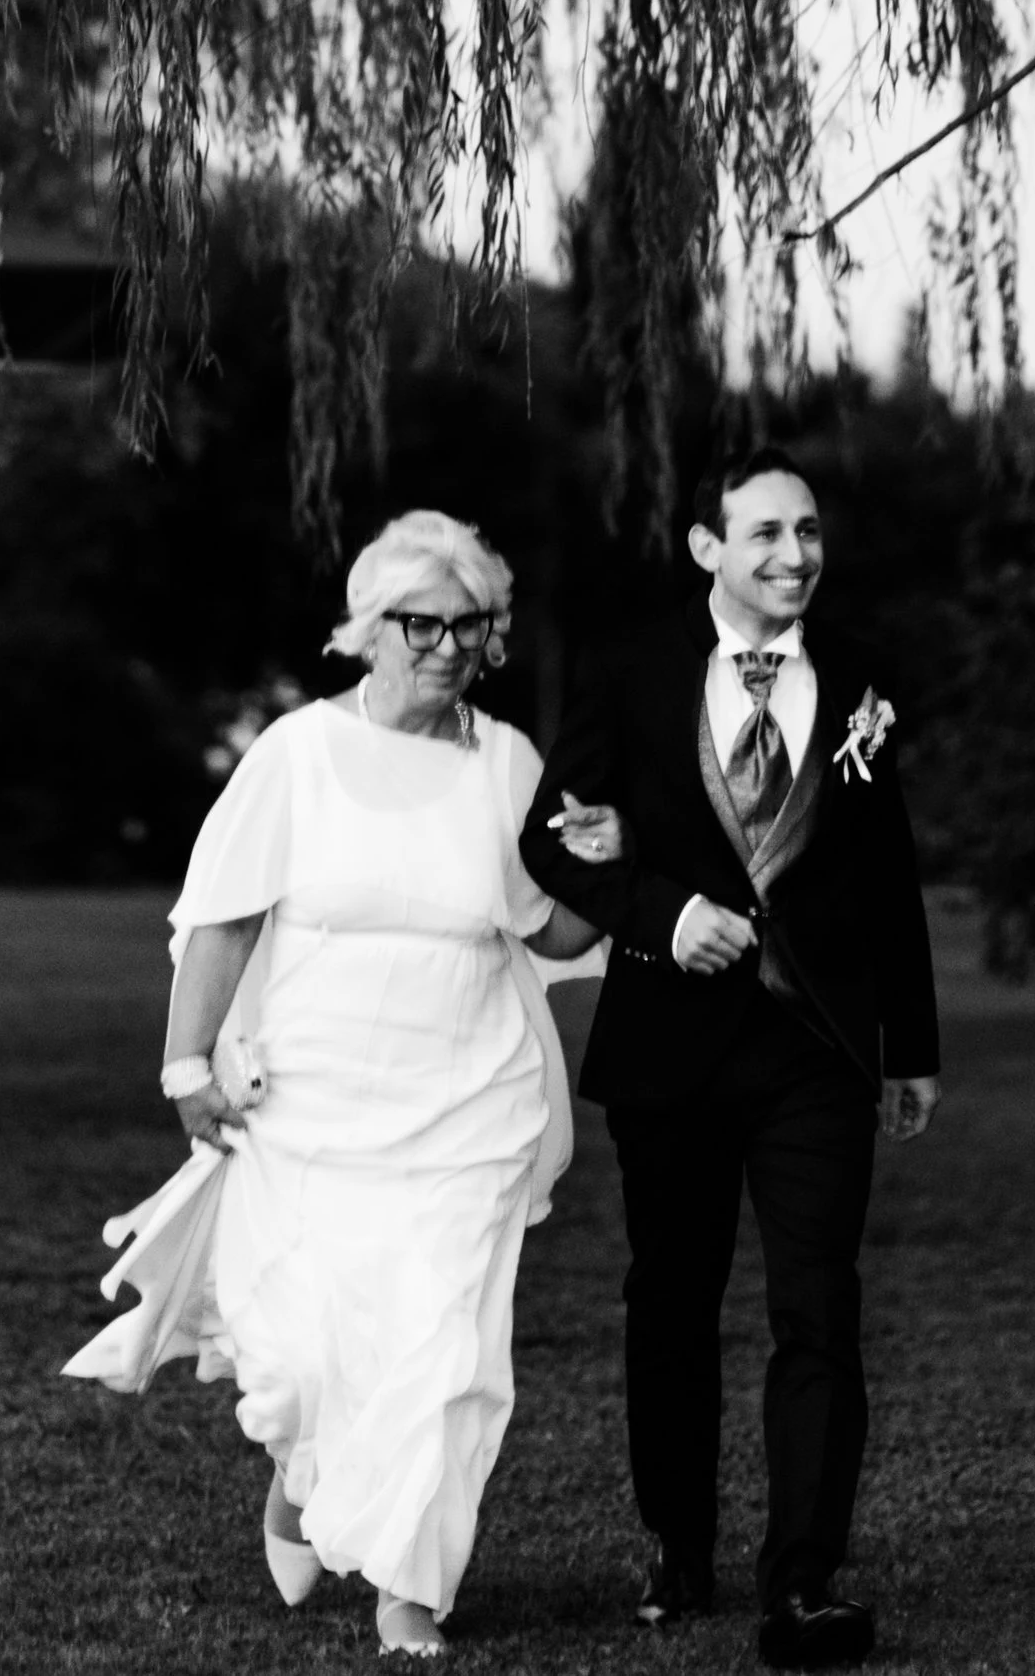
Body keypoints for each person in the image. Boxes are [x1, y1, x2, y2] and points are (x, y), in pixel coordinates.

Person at [65, 510, 612, 1659]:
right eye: (423, 624)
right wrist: (184, 1063)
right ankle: (301, 1474)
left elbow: (553, 934)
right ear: (370, 629)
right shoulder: (298, 754)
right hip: (311, 1104)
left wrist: (600, 872)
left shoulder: (508, 763)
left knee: (447, 1357)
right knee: (306, 1357)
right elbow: (222, 917)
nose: (448, 647)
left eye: (472, 626)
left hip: (469, 1104)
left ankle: (411, 1588)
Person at [517, 444, 941, 1672]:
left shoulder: (862, 680)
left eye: (808, 532)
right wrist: (656, 912)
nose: (793, 556)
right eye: (763, 534)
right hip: (671, 1045)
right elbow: (553, 843)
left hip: (817, 1052)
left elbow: (885, 868)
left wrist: (907, 1045)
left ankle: (801, 1581)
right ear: (708, 547)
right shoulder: (634, 673)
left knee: (819, 1310)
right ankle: (676, 1545)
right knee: (671, 1304)